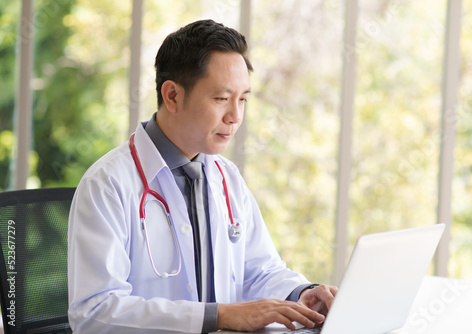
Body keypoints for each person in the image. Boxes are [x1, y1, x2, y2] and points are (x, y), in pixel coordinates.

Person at [67, 19, 337, 334]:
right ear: (172, 96)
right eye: (222, 99)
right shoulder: (108, 184)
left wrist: (301, 294)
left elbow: (259, 271)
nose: (235, 116)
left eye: (243, 99)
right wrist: (217, 317)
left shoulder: (227, 177)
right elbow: (94, 312)